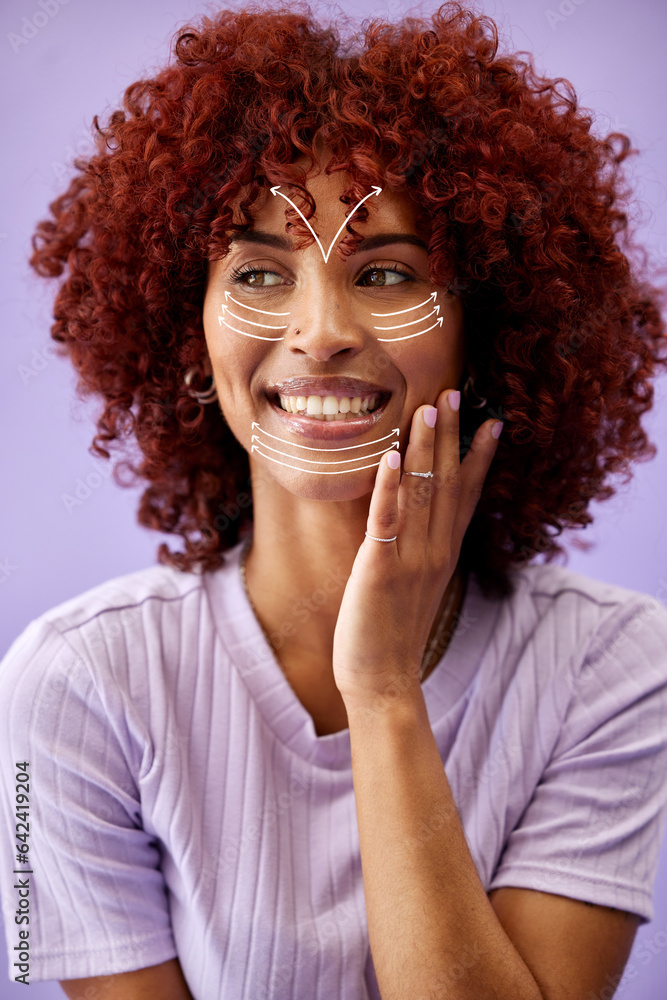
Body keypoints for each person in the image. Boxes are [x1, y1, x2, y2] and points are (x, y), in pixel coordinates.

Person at [1, 2, 667, 998]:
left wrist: (385, 692)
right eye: (261, 271)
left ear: (488, 330)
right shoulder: (75, 683)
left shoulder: (612, 668)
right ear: (189, 334)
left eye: (386, 271)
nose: (319, 331)